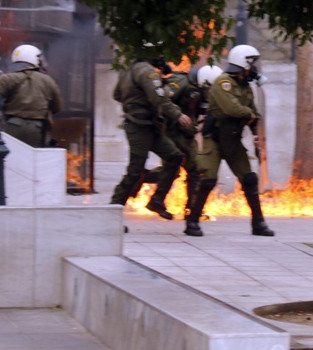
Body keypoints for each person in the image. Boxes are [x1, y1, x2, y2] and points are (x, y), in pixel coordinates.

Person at [184, 44, 274, 237]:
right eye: (252, 63)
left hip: (232, 140)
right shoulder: (223, 83)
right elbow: (232, 108)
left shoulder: (245, 88)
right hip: (215, 139)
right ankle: (192, 221)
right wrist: (249, 115)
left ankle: (258, 223)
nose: (254, 68)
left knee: (249, 179)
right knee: (208, 180)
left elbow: (255, 114)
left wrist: (256, 133)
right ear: (243, 63)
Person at [128, 64, 223, 219]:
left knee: (178, 169)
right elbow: (163, 101)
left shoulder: (198, 88)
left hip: (184, 132)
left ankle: (148, 183)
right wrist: (177, 117)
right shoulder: (181, 83)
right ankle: (189, 209)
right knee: (194, 168)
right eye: (209, 89)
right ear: (204, 82)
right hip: (173, 131)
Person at [109, 54, 193, 220]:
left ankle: (157, 200)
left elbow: (117, 95)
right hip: (140, 126)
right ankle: (112, 212)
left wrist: (137, 97)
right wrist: (178, 115)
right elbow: (159, 99)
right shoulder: (147, 71)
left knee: (175, 157)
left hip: (149, 126)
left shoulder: (129, 69)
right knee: (135, 170)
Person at [0, 44, 63, 148]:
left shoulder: (6, 78)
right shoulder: (48, 80)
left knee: (9, 158)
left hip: (12, 125)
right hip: (38, 128)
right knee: (35, 159)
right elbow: (58, 107)